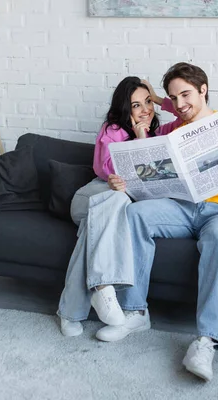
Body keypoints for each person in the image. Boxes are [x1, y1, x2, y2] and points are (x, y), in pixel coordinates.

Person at [96, 63, 218, 382]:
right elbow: (149, 175)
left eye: (185, 95)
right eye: (173, 98)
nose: (179, 104)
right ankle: (135, 311)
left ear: (204, 89)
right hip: (183, 208)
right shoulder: (174, 131)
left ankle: (207, 340)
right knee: (135, 214)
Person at [57, 76, 183, 336]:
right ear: (125, 108)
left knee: (95, 229)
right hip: (92, 195)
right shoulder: (112, 129)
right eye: (136, 105)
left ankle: (71, 310)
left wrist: (159, 101)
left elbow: (186, 118)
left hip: (113, 208)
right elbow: (106, 169)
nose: (145, 109)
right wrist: (136, 138)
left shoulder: (159, 132)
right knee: (115, 199)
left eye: (148, 102)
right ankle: (103, 287)